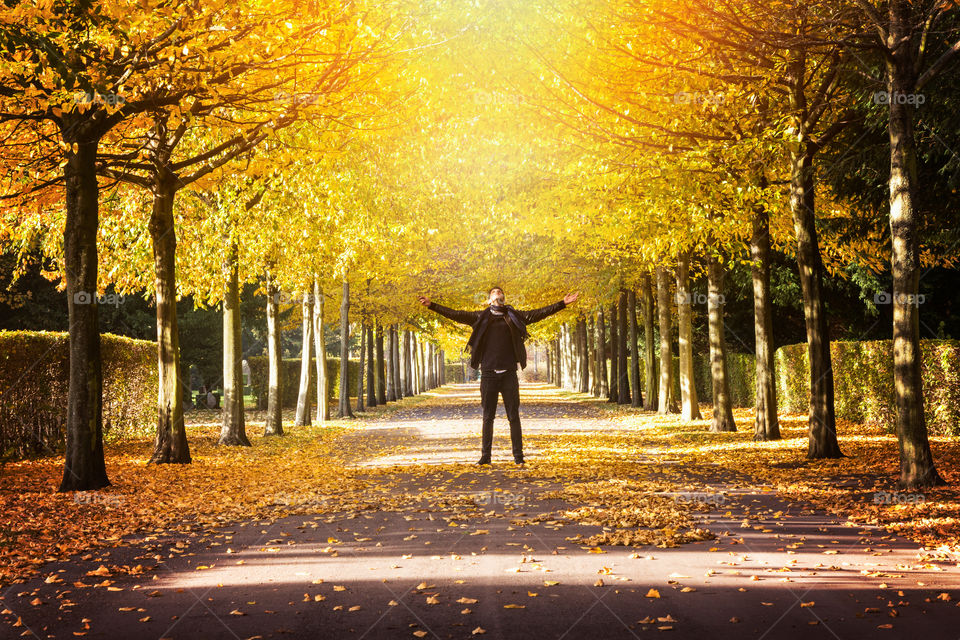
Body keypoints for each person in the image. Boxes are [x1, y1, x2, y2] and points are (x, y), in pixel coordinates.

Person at [418, 287, 579, 465]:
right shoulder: (480, 317)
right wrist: (432, 305)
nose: (498, 294)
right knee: (488, 417)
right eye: (494, 292)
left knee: (513, 416)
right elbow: (455, 314)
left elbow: (538, 313)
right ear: (489, 300)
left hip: (509, 373)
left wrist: (562, 304)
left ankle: (519, 457)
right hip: (488, 375)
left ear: (503, 297)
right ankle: (485, 456)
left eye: (500, 292)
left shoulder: (514, 316)